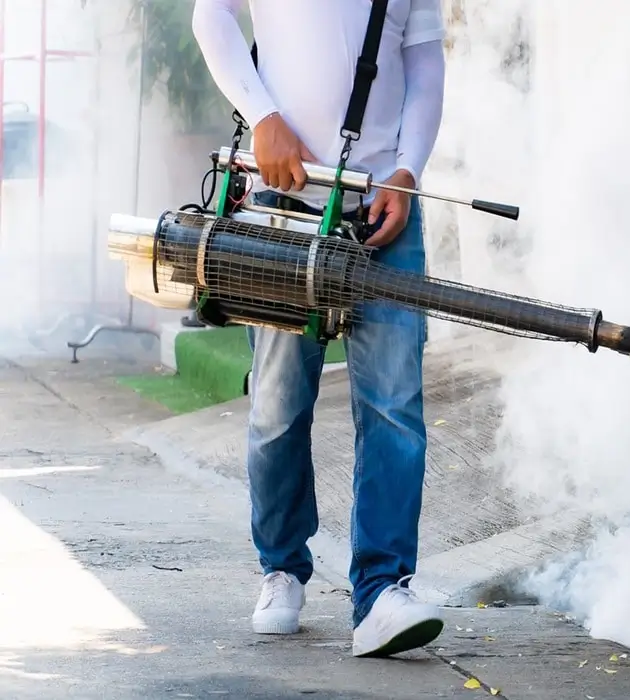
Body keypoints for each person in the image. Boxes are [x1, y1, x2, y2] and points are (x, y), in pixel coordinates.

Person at [191, 0, 447, 657]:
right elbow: (210, 16)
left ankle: (382, 592)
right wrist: (263, 117)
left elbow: (424, 63)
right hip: (283, 201)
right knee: (277, 407)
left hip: (385, 207)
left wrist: (408, 171)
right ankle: (281, 567)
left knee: (394, 407)